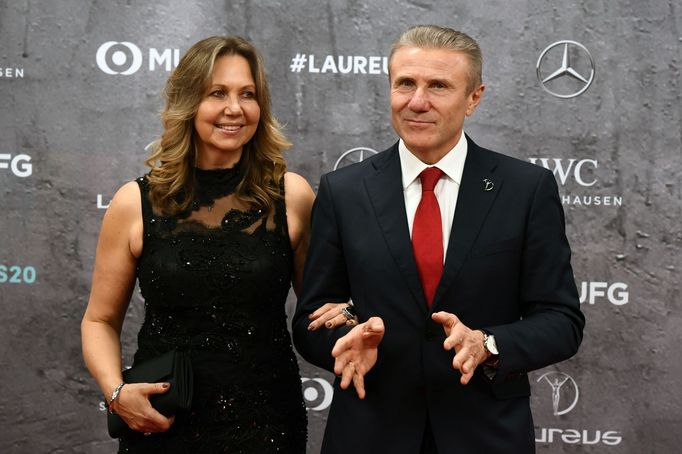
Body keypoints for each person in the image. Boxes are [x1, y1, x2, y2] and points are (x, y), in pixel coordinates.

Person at [293, 25, 585, 453]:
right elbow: (311, 320)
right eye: (405, 83)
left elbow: (562, 320)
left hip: (485, 434)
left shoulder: (526, 189)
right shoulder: (343, 191)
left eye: (438, 86)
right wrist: (346, 340)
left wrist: (487, 344)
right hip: (370, 432)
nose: (417, 101)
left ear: (474, 98)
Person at [81, 35, 347, 453]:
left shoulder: (291, 196)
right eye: (216, 93)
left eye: (248, 94)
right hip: (162, 421)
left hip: (267, 421)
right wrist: (117, 393)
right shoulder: (134, 202)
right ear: (189, 103)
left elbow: (319, 311)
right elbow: (99, 321)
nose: (234, 109)